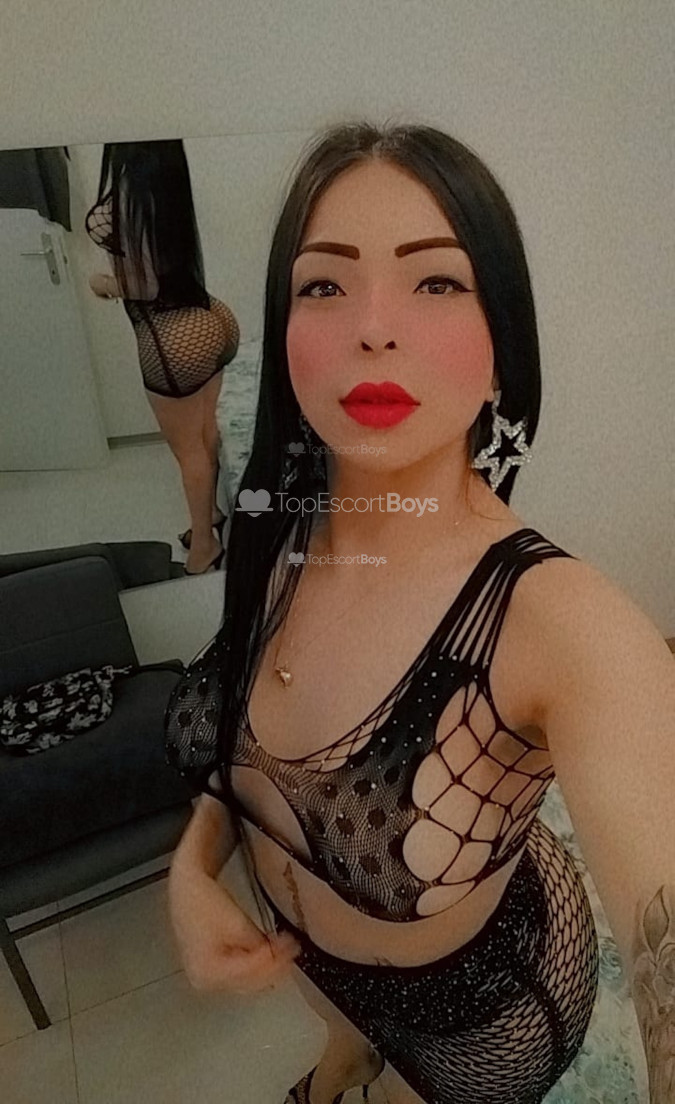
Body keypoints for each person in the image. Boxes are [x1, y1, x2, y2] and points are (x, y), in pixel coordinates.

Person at [165, 122, 675, 1103]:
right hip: (311, 965)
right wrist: (192, 868)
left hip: (469, 1022)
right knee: (345, 1041)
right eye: (324, 285)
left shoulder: (563, 625)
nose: (372, 327)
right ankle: (345, 1054)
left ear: (501, 353)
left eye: (436, 281)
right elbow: (247, 742)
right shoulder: (274, 523)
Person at [85, 140, 240, 574]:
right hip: (213, 317)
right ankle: (210, 515)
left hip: (173, 336)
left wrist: (104, 284)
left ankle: (204, 547)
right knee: (205, 434)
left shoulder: (129, 189)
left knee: (189, 450)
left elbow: (146, 285)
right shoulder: (168, 180)